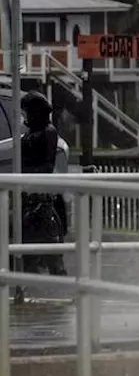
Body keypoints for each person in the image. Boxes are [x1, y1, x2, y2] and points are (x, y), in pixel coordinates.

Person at [18, 91, 67, 276]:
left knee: (45, 230)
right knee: (30, 229)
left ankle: (55, 267)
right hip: (30, 187)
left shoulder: (47, 132)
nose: (24, 116)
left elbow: (47, 163)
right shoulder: (33, 132)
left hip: (38, 190)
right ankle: (33, 267)